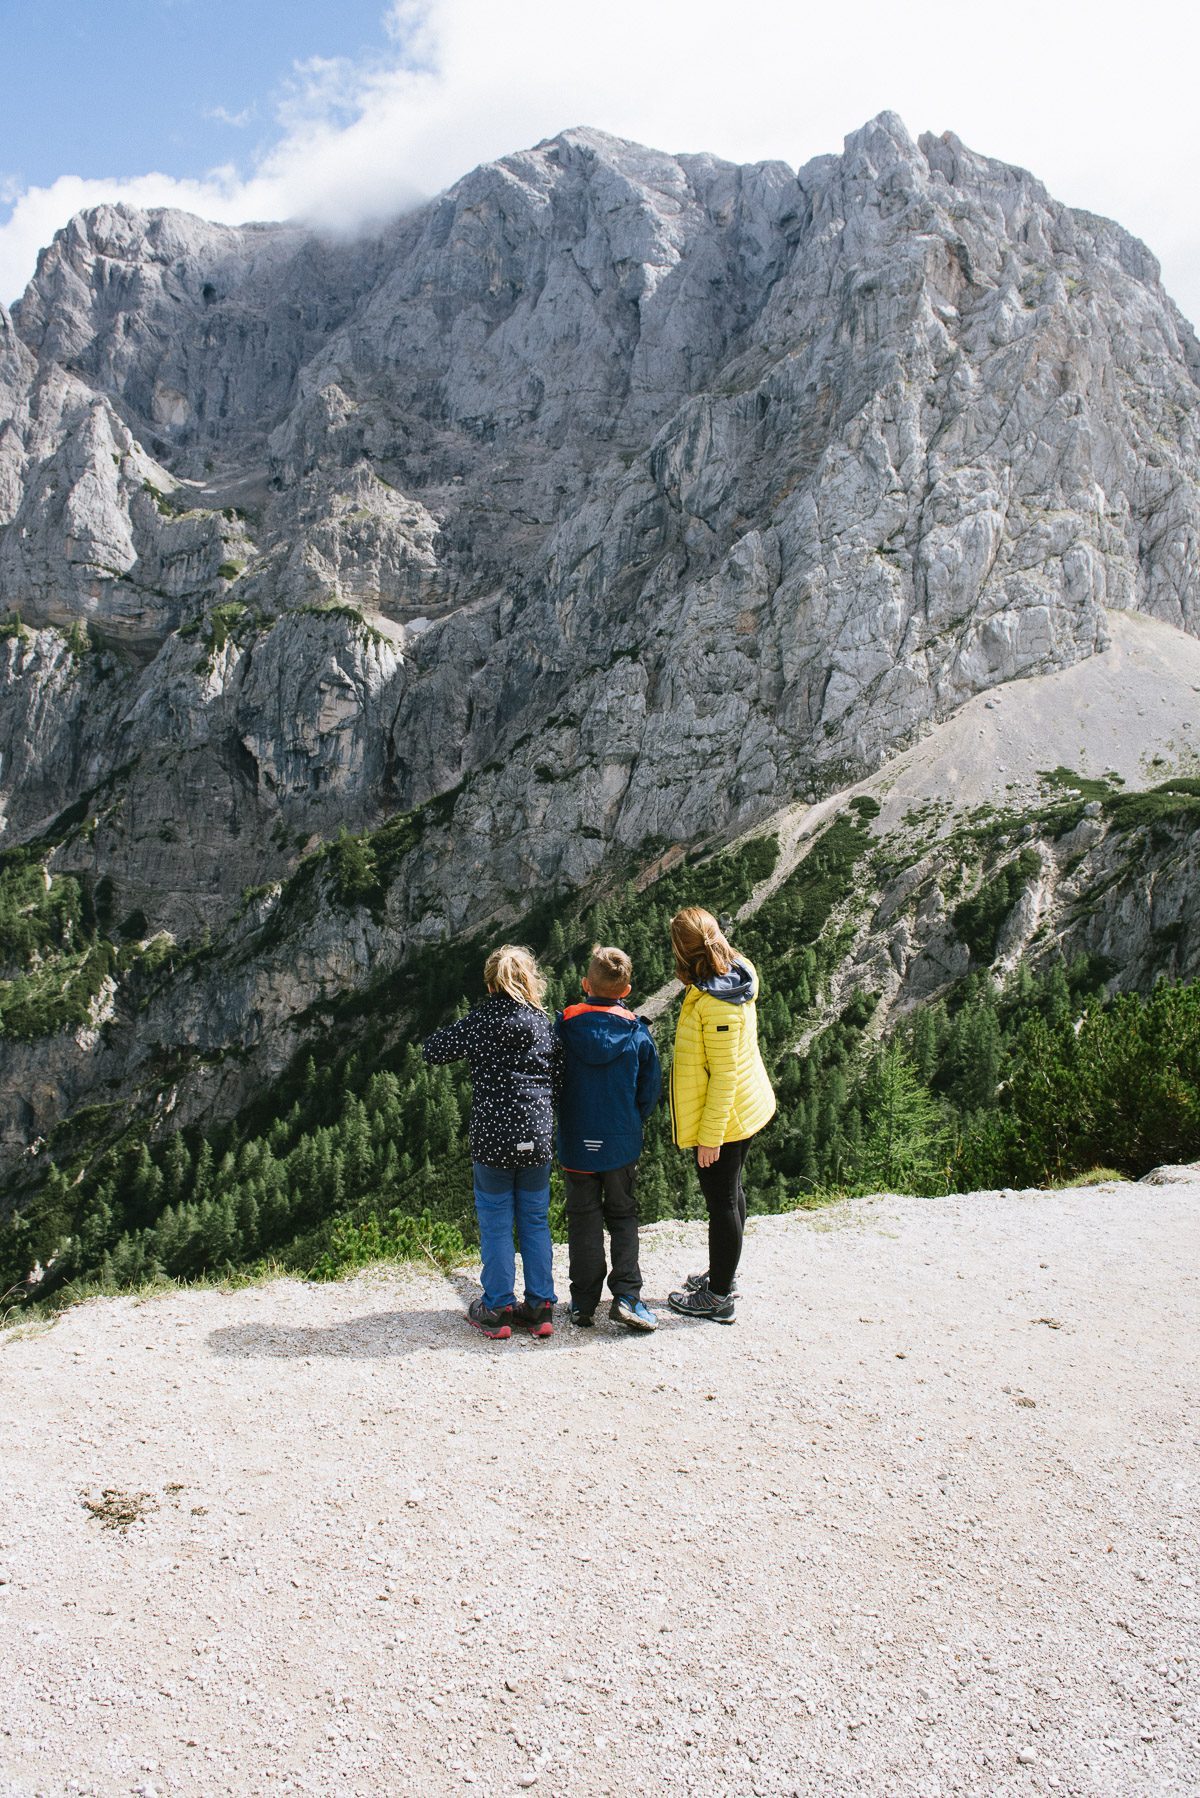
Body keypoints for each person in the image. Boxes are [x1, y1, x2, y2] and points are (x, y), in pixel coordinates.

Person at [423, 944, 559, 1340]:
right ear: (530, 981)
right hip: (537, 1136)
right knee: (534, 1220)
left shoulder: (482, 1020)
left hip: (493, 1139)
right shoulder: (540, 1022)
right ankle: (540, 1307)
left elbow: (434, 1051)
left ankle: (497, 1308)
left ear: (490, 983)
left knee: (497, 1222)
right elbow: (560, 1075)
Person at [666, 907, 776, 1323]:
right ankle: (723, 1276)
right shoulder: (737, 971)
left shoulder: (717, 1005)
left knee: (722, 1202)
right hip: (746, 1107)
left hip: (726, 1118)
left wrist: (710, 1136)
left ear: (682, 950)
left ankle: (717, 1297)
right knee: (733, 1192)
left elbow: (724, 1077)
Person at [556, 944, 662, 1332]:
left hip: (576, 1143)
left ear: (585, 984)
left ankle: (582, 1304)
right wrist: (632, 1122)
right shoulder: (637, 1034)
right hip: (620, 1143)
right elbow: (649, 1092)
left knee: (582, 1218)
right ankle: (628, 1296)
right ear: (627, 990)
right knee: (622, 1214)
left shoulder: (564, 1028)